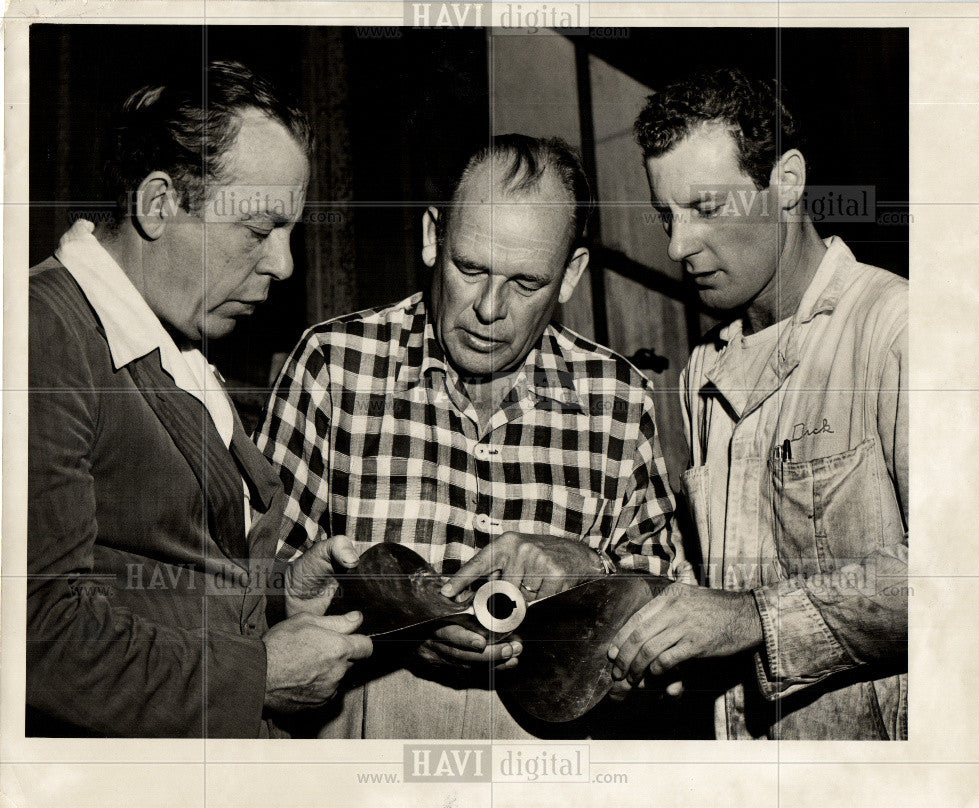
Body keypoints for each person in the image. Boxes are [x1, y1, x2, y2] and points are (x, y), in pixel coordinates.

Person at [257, 134, 685, 738]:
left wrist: (590, 567)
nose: (489, 309)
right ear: (433, 237)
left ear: (571, 276)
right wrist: (393, 630)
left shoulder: (619, 399)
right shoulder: (334, 366)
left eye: (526, 283)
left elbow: (669, 610)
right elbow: (248, 594)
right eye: (470, 268)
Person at [27, 61, 372, 738]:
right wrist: (257, 677)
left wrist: (281, 588)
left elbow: (162, 566)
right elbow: (34, 632)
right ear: (160, 205)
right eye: (258, 230)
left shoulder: (176, 342)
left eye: (290, 232)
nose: (284, 264)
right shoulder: (43, 334)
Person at [609, 67, 908, 740]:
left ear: (789, 181)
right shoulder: (704, 374)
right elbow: (706, 588)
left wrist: (754, 618)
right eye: (667, 215)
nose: (677, 245)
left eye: (707, 209)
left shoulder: (896, 328)